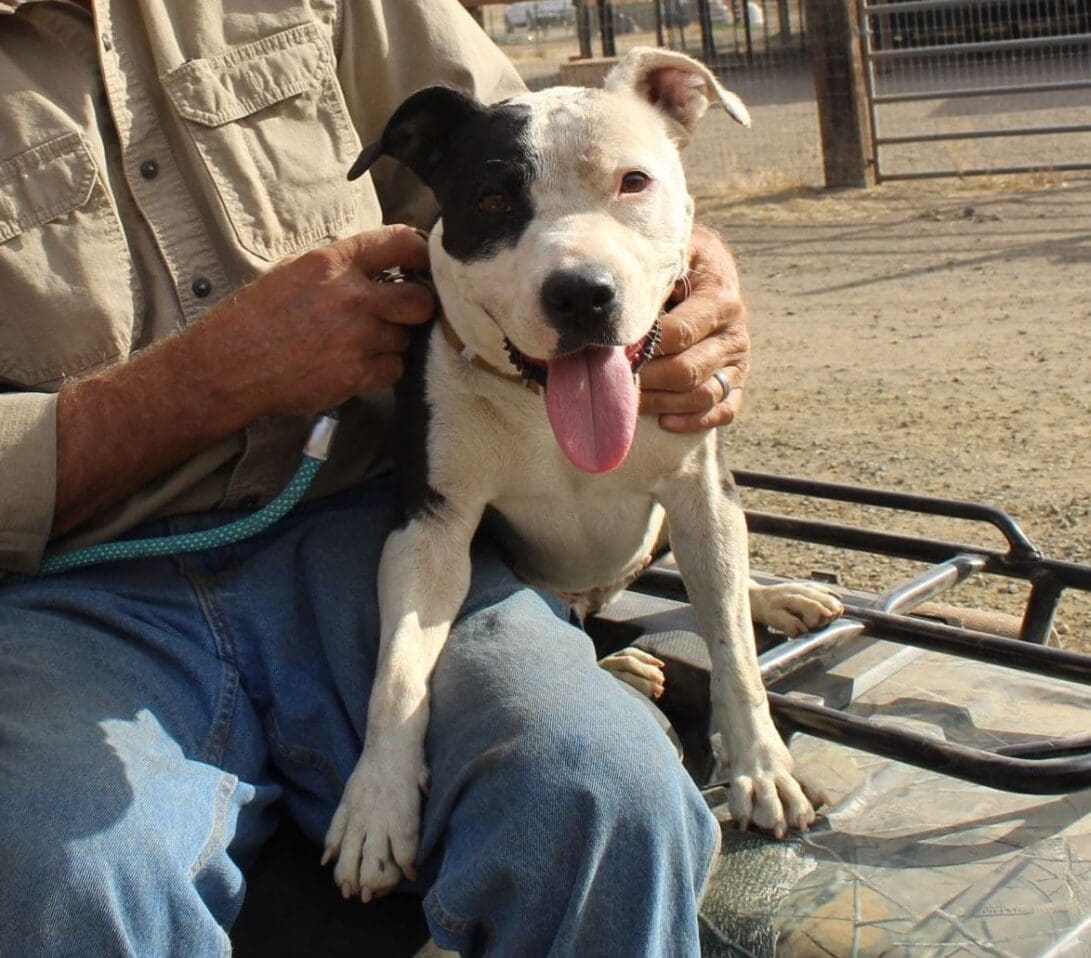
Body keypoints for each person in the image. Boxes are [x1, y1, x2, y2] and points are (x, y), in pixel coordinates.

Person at [0, 0, 752, 954]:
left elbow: (552, 163)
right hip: (76, 587)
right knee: (60, 880)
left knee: (609, 795)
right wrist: (198, 382)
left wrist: (692, 275)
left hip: (367, 530)